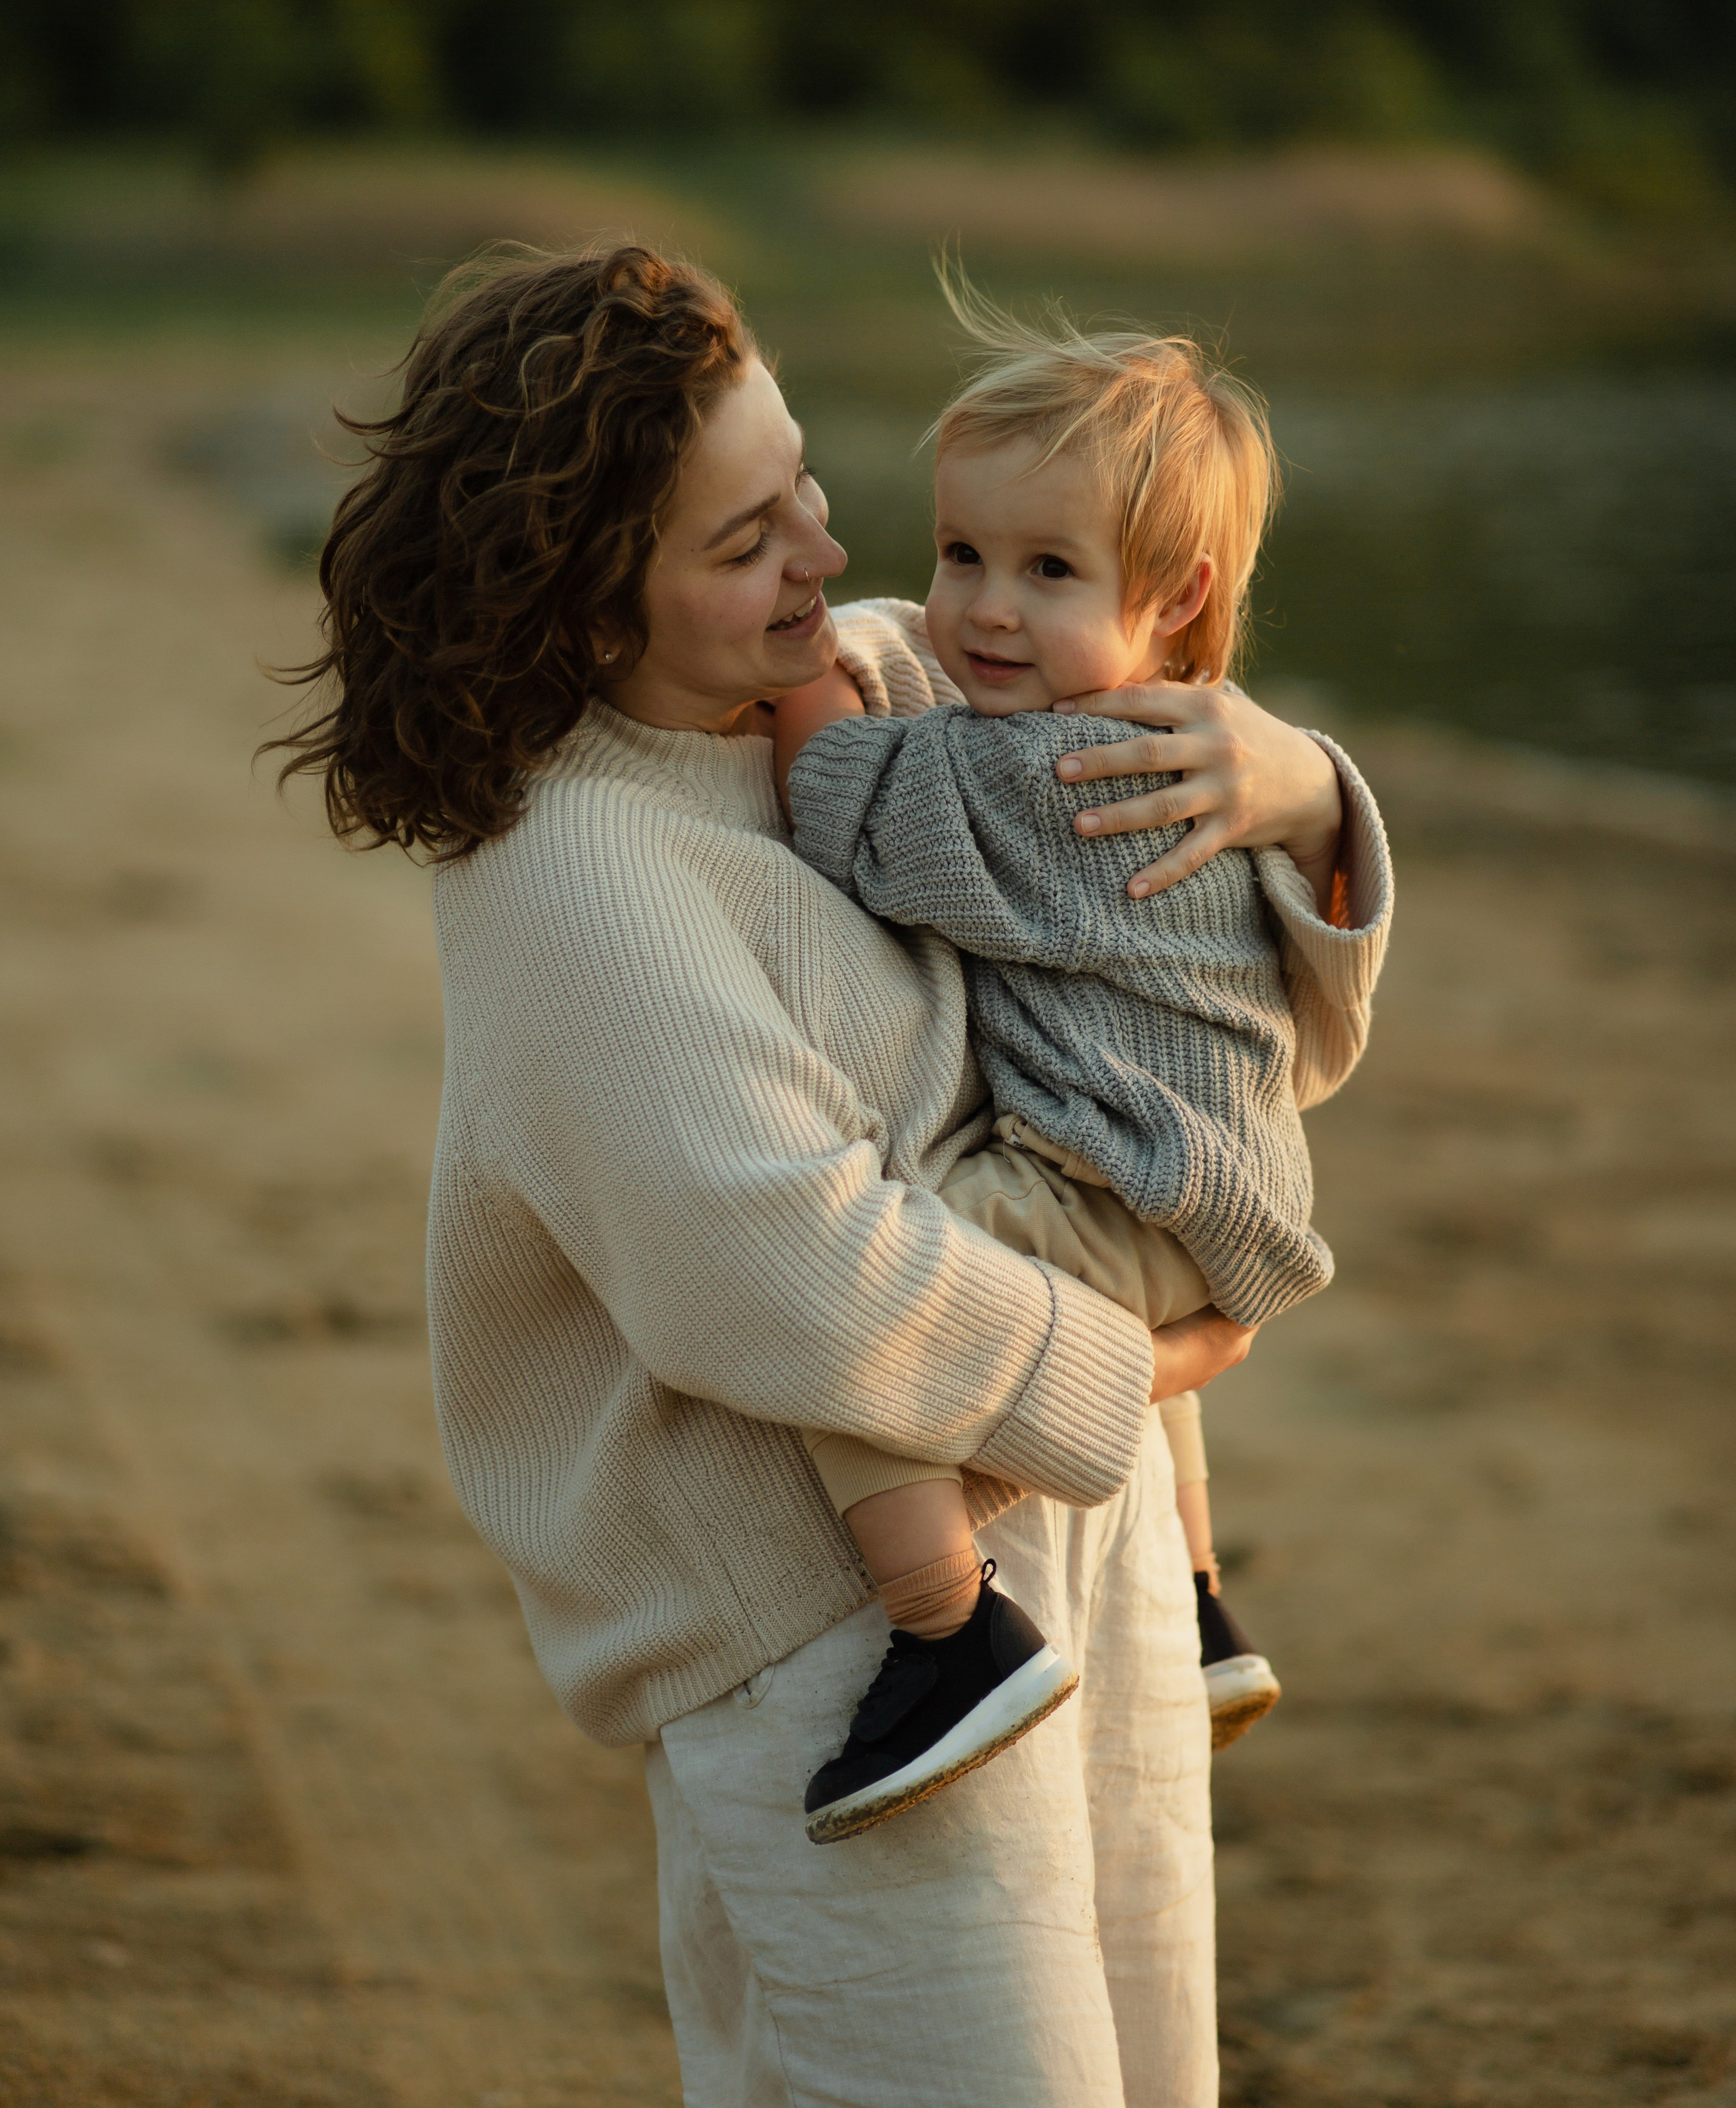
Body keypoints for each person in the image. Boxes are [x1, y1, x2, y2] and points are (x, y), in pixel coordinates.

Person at [275, 241, 1392, 2108]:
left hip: (1066, 1540)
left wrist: (1300, 790)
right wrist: (1138, 1365)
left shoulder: (875, 671)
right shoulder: (578, 877)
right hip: (828, 1647)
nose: (818, 550)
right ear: (580, 603)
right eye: (739, 541)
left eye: (799, 480)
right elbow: (785, 1273)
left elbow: (1220, 998)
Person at [773, 292, 1355, 1842]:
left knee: (859, 1302)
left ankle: (941, 1626)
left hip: (1124, 1180)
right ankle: (1197, 1594)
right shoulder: (1188, 739)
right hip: (1202, 1186)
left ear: (1177, 598)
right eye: (959, 553)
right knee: (1117, 1325)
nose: (979, 610)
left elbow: (848, 807)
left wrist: (800, 695)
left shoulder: (1064, 774)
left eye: (1048, 572)